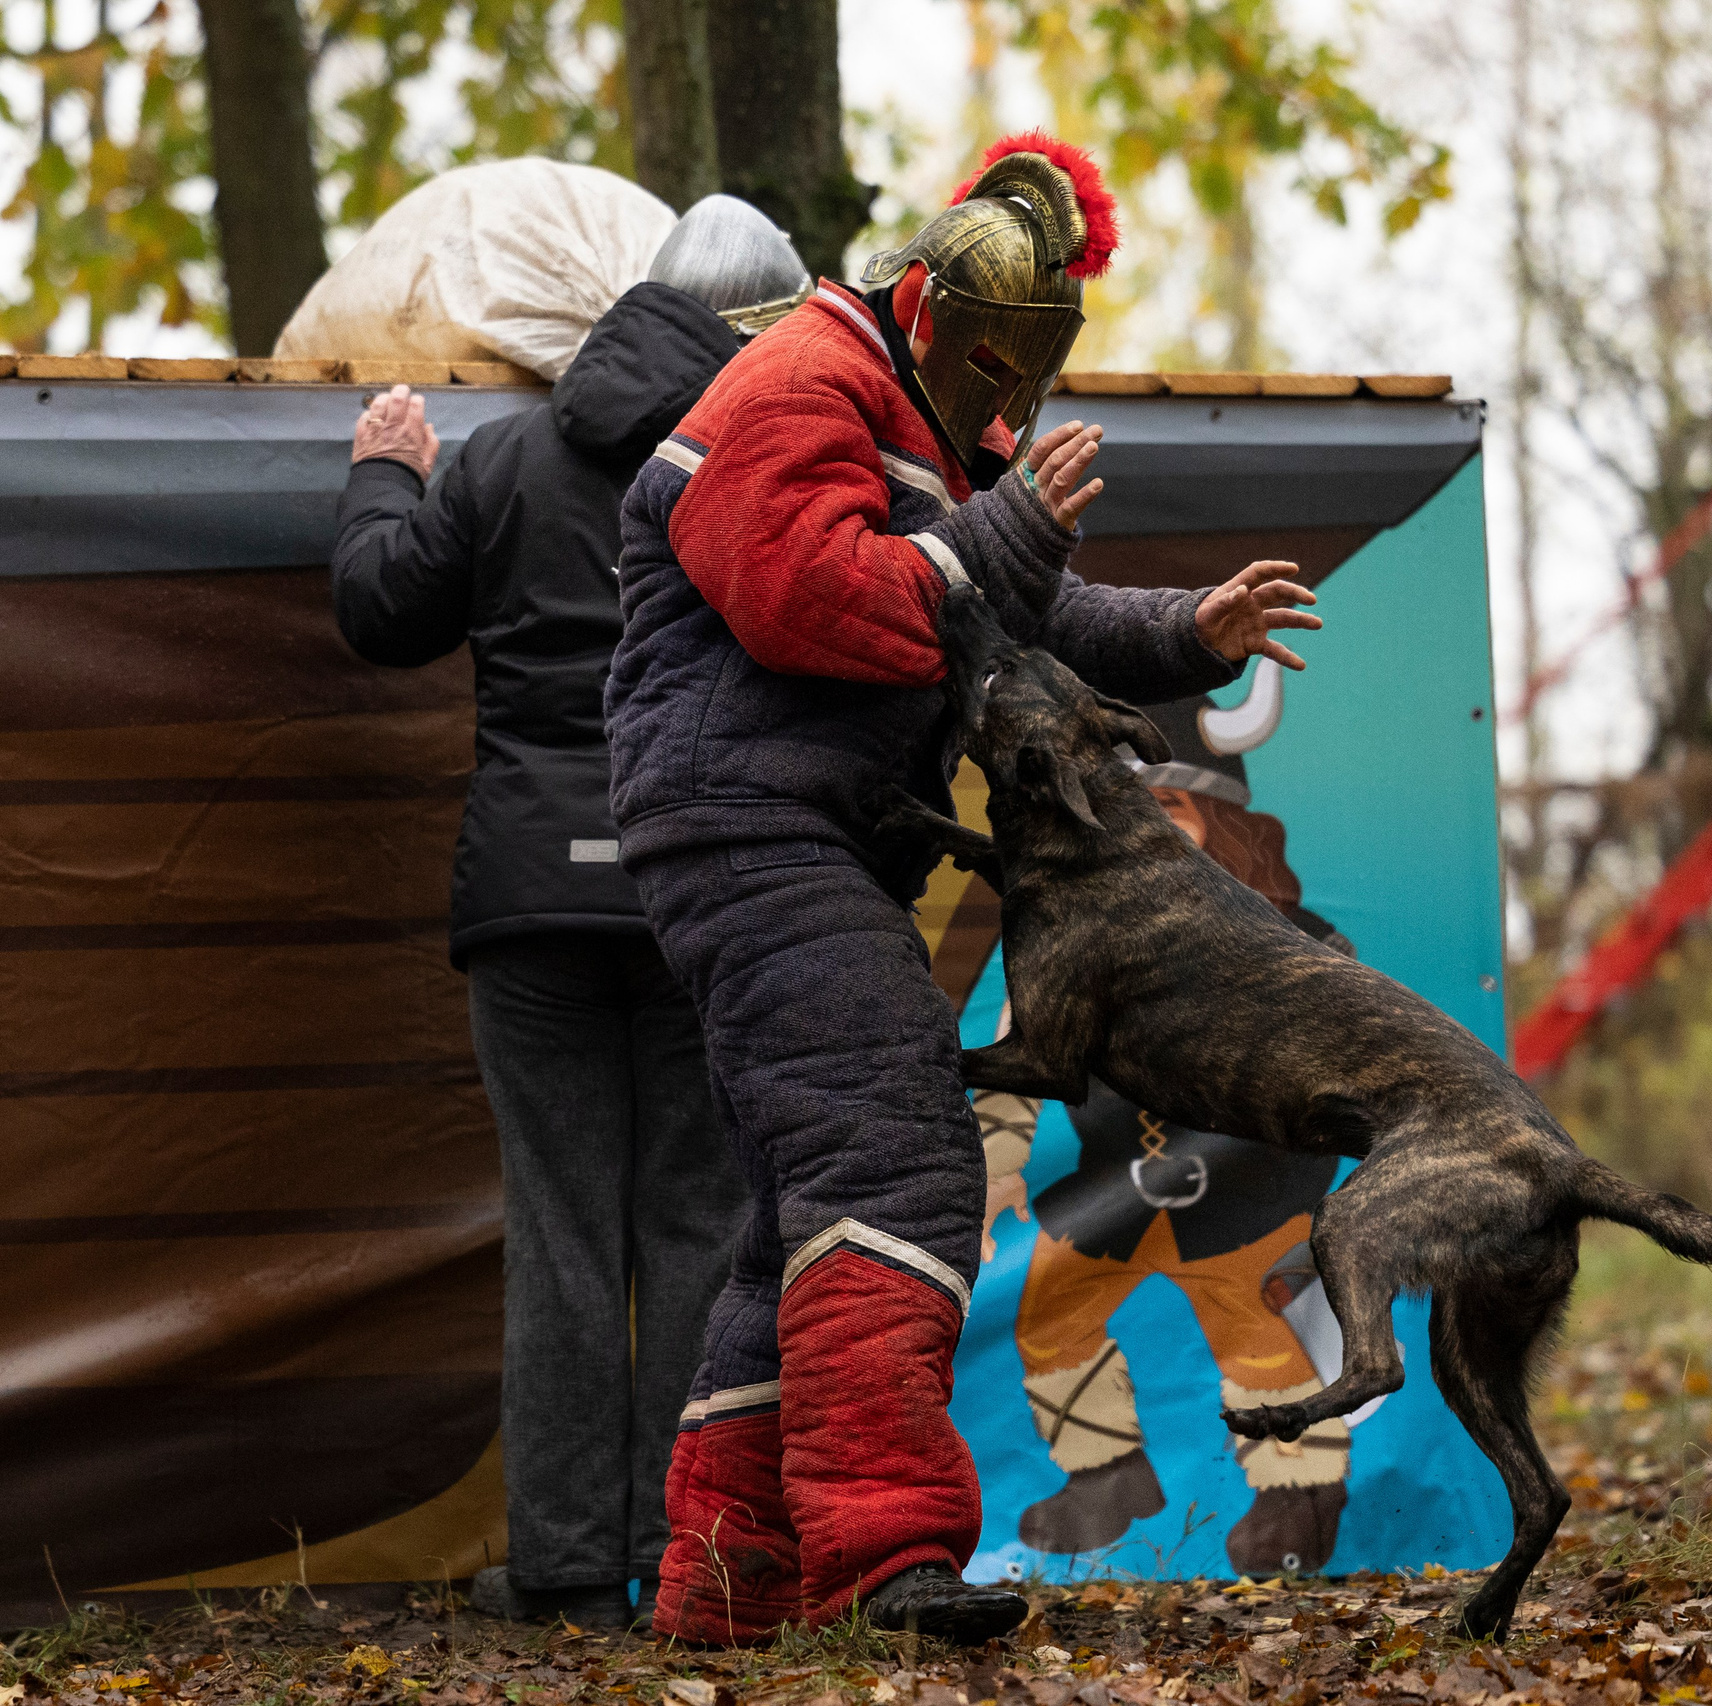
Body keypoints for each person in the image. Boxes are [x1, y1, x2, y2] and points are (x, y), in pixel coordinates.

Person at [602, 132, 1331, 1644]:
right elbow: (806, 596)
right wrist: (996, 533)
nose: (1010, 411)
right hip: (748, 833)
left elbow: (1031, 608)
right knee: (896, 1162)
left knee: (798, 1219)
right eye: (999, 374)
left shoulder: (919, 411)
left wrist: (1194, 625)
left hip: (795, 833)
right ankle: (887, 1565)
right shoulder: (800, 380)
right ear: (939, 318)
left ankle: (728, 1587)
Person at [329, 196, 814, 1630]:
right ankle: (690, 1563)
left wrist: (381, 477)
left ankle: (556, 1565)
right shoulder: (752, 464)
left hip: (532, 900)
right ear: (752, 331)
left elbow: (379, 611)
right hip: (694, 889)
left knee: (556, 1229)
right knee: (694, 1226)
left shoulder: (506, 457)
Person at [976, 692, 1362, 1581]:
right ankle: (1108, 1475)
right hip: (1112, 1203)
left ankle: (1298, 1495)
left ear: (1222, 824)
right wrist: (997, 1170)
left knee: (1265, 1349)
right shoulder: (1062, 945)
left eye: (1171, 811)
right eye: (1127, 815)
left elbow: (1362, 1061)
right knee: (1046, 1324)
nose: (1148, 834)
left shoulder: (1301, 945)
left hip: (1249, 1207)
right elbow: (1011, 1065)